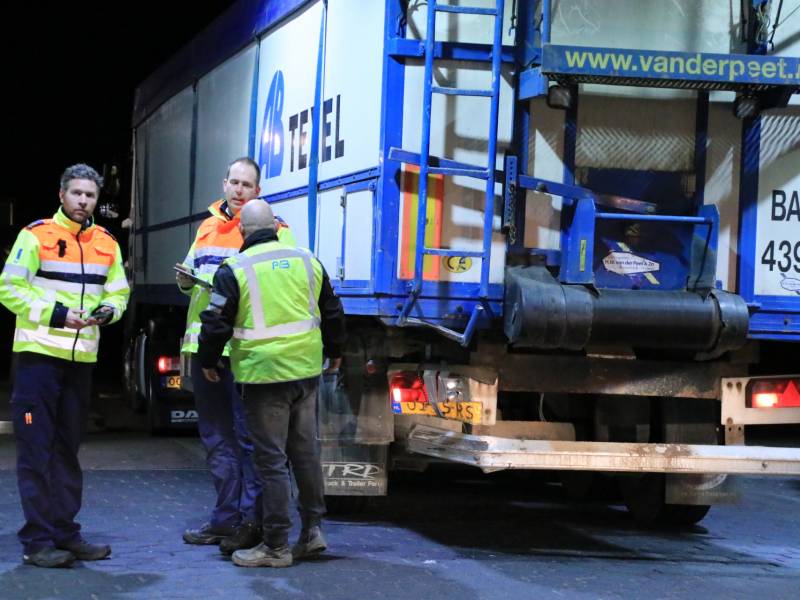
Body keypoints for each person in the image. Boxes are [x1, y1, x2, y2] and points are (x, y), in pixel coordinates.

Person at [197, 200, 345, 568]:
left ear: (244, 232)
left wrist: (209, 360)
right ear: (277, 226)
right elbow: (333, 310)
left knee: (272, 461)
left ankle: (276, 545)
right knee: (305, 455)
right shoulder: (308, 260)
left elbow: (215, 322)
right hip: (306, 375)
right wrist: (336, 350)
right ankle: (312, 532)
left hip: (264, 378)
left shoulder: (235, 268)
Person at [0, 164, 130, 568]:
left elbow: (119, 289)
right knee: (37, 452)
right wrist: (56, 315)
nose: (83, 201)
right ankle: (37, 540)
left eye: (89, 195)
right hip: (38, 360)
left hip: (80, 363)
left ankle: (64, 533)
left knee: (67, 453)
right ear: (61, 195)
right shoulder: (35, 235)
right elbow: (9, 289)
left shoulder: (106, 241)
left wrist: (109, 310)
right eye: (76, 193)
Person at [177, 157, 295, 555]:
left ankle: (251, 522)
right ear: (224, 183)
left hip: (245, 352)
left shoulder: (277, 232)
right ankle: (225, 519)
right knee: (216, 440)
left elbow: (285, 283)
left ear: (258, 191)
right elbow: (192, 277)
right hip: (205, 346)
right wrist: (183, 280)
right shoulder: (207, 227)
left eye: (248, 185)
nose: (240, 190)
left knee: (249, 442)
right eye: (235, 182)